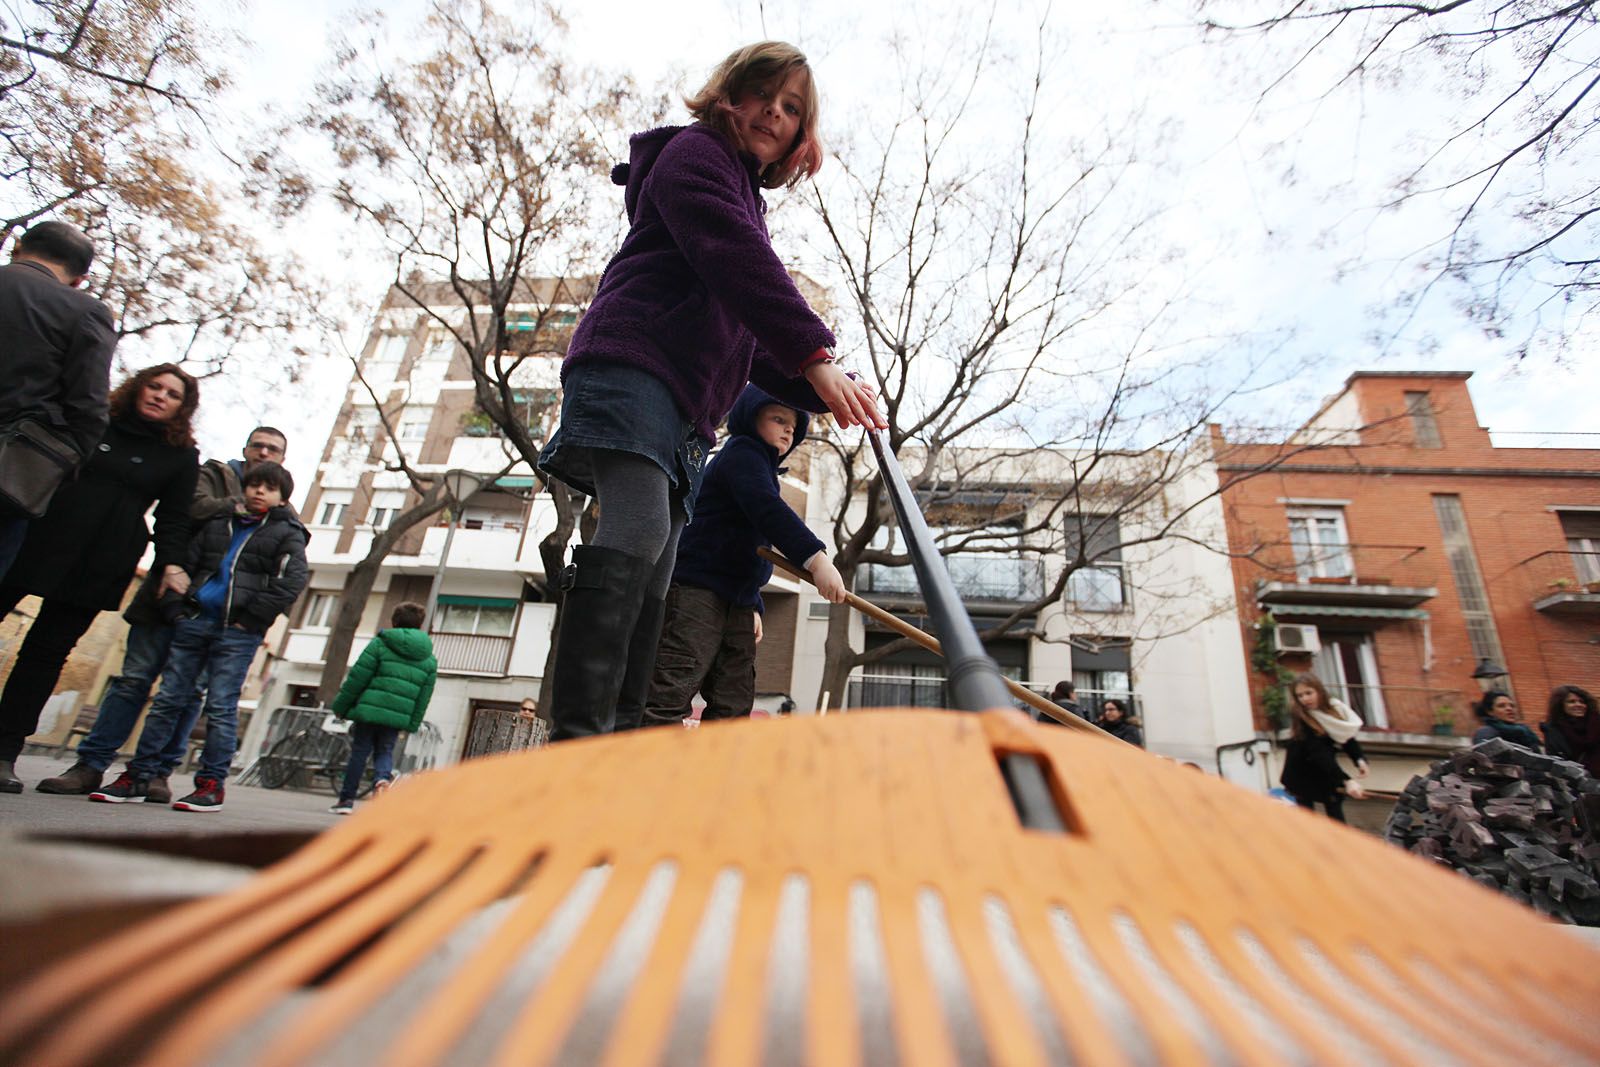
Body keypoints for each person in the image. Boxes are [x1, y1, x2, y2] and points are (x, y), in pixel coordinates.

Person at [534, 41, 882, 741]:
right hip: (634, 368)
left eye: (791, 109)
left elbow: (747, 342)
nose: (772, 114)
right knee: (637, 532)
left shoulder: (747, 198)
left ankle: (620, 742)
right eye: (762, 95)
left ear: (800, 136)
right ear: (729, 94)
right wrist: (814, 352)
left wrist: (822, 390)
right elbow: (732, 254)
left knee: (659, 565)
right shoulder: (695, 155)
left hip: (685, 409)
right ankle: (578, 741)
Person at [37, 426, 295, 798]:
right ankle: (90, 765)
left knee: (187, 695)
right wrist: (233, 507)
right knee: (134, 680)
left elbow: (287, 566)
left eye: (275, 449)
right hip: (169, 597)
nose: (266, 453)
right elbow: (184, 510)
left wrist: (251, 618)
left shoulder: (280, 504)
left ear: (282, 460)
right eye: (259, 446)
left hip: (216, 619)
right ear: (246, 449)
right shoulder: (215, 474)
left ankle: (156, 773)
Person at [0, 364, 198, 794]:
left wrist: (172, 565)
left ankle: (4, 751)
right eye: (155, 386)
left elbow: (174, 519)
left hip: (102, 558)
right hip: (38, 534)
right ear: (137, 388)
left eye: (173, 394)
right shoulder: (92, 420)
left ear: (183, 408)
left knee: (46, 654)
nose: (161, 396)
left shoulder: (181, 455)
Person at [91, 461, 308, 811]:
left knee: (221, 707)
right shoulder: (218, 524)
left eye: (268, 488)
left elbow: (291, 583)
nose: (258, 492)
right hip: (194, 623)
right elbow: (186, 566)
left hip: (237, 633)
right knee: (167, 700)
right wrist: (177, 610)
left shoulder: (287, 534)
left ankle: (210, 784)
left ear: (282, 499)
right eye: (253, 485)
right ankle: (139, 774)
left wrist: (249, 620)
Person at [634, 385, 846, 729]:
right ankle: (650, 770)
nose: (789, 429)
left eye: (794, 424)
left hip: (738, 600)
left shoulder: (762, 469)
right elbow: (768, 511)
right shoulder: (741, 454)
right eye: (779, 418)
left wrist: (754, 603)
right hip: (697, 589)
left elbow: (749, 549)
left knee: (733, 696)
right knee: (674, 684)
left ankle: (718, 777)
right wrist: (816, 559)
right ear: (750, 416)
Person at [0, 221, 116, 577]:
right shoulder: (85, 313)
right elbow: (89, 408)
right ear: (80, 279)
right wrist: (54, 469)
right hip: (9, 470)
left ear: (17, 248)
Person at [327, 601, 437, 815]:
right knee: (385, 751)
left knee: (360, 752)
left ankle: (346, 801)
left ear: (394, 621)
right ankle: (381, 780)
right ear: (420, 624)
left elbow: (358, 677)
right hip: (397, 715)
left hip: (369, 710)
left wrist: (341, 706)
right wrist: (412, 723)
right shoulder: (429, 659)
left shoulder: (380, 644)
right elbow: (425, 695)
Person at [1279, 672, 1368, 822]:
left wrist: (1359, 759)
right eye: (1300, 696)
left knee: (1336, 814)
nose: (1305, 699)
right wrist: (1347, 780)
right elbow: (1319, 753)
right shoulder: (1303, 718)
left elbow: (1345, 736)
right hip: (1302, 773)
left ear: (1319, 690)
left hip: (1323, 770)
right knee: (1307, 820)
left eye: (1308, 693)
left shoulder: (1335, 708)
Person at [1539, 685, 1598, 775]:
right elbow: (1555, 761)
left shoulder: (1597, 724)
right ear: (1561, 705)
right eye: (1571, 701)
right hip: (1577, 783)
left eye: (1582, 702)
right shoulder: (1553, 731)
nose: (1578, 705)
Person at [1470, 690, 1542, 752]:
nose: (1509, 708)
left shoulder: (1525, 731)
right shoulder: (1486, 732)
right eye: (1501, 706)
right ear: (1490, 712)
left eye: (1512, 705)